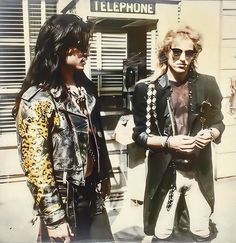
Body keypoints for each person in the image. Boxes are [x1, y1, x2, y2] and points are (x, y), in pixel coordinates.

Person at [13, 14, 113, 242]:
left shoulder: (86, 88)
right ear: (58, 46)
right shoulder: (37, 99)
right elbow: (36, 165)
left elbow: (95, 135)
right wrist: (53, 217)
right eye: (79, 45)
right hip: (64, 199)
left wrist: (104, 174)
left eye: (86, 44)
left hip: (91, 192)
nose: (85, 50)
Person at [132, 25, 225, 242]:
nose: (182, 58)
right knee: (162, 232)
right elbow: (139, 135)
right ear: (166, 52)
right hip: (166, 173)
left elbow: (219, 123)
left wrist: (210, 133)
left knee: (201, 230)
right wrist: (168, 142)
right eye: (176, 51)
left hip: (197, 171)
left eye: (189, 53)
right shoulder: (147, 89)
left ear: (194, 55)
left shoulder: (208, 84)